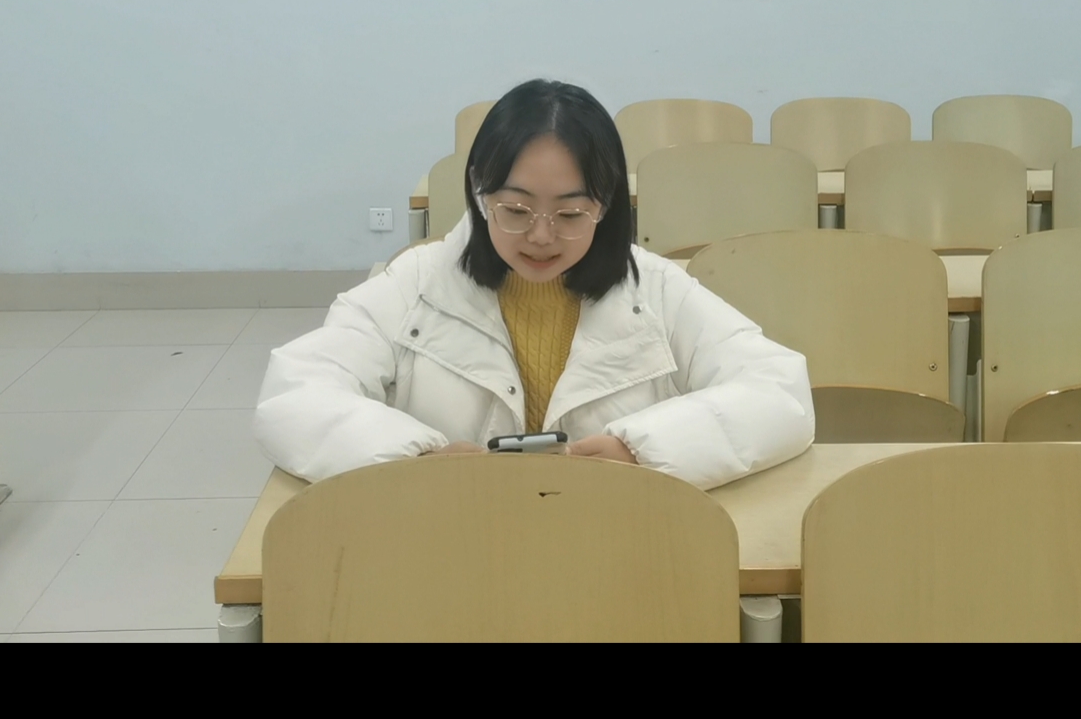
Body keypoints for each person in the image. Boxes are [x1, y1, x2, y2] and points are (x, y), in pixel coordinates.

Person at [254, 79, 815, 491]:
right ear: (480, 193)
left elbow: (779, 391)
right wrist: (412, 462)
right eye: (516, 210)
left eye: (570, 214)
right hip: (449, 545)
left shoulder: (659, 290)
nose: (541, 236)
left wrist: (643, 452)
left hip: (613, 544)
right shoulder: (416, 284)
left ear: (606, 205)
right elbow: (295, 394)